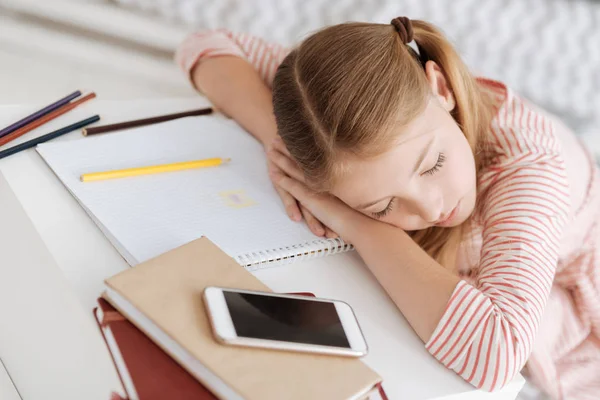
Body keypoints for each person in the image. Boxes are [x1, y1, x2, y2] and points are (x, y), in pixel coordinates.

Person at [176, 16, 600, 398]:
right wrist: (286, 149)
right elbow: (206, 45)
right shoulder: (329, 107)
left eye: (433, 164)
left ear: (441, 89)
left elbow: (495, 355)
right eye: (381, 205)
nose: (432, 207)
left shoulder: (528, 167)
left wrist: (360, 223)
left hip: (575, 261)